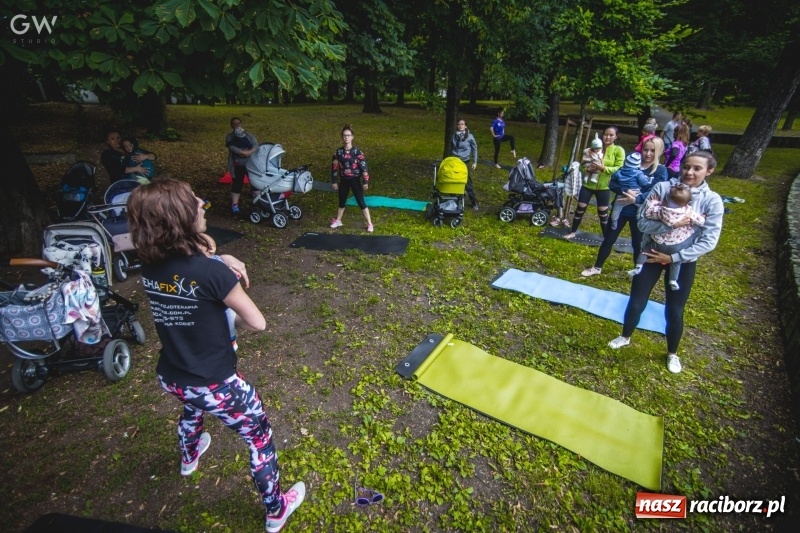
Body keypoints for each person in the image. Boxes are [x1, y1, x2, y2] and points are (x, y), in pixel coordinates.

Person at [127, 179, 305, 532]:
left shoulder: (150, 263)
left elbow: (199, 251)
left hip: (174, 374)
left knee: (193, 407)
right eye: (193, 201)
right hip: (215, 382)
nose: (201, 202)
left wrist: (221, 256)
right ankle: (276, 509)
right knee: (259, 437)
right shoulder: (212, 274)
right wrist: (226, 287)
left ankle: (189, 457)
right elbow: (257, 322)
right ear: (178, 218)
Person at [607, 151, 724, 374]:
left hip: (683, 260)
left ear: (709, 171)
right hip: (651, 253)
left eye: (697, 168)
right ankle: (625, 336)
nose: (689, 172)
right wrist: (672, 225)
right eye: (687, 166)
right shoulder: (662, 188)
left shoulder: (712, 200)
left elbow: (709, 240)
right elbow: (642, 223)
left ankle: (672, 353)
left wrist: (672, 258)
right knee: (636, 300)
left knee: (674, 309)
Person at [579, 137, 668, 277]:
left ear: (659, 152)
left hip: (641, 213)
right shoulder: (631, 161)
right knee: (609, 238)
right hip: (620, 209)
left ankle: (638, 272)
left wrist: (637, 198)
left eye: (653, 150)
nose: (648, 153)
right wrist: (624, 191)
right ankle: (597, 267)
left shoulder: (660, 170)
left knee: (638, 243)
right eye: (646, 149)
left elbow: (657, 191)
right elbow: (612, 182)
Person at [628, 182, 706, 290]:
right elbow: (700, 221)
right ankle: (673, 280)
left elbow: (649, 213)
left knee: (645, 251)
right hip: (677, 244)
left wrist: (653, 202)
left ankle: (638, 266)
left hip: (659, 242)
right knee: (676, 263)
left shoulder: (661, 211)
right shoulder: (688, 211)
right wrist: (702, 218)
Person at [564, 126, 625, 240]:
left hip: (604, 186)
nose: (608, 137)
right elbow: (582, 165)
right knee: (580, 209)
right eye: (606, 134)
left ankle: (606, 237)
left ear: (616, 137)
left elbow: (619, 168)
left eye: (611, 135)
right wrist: (587, 170)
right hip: (588, 185)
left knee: (603, 213)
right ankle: (573, 232)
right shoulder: (594, 147)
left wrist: (603, 169)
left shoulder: (618, 150)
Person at [329, 124, 374, 232]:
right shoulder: (338, 152)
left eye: (348, 135)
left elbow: (364, 167)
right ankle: (338, 221)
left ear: (352, 137)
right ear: (342, 137)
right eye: (344, 135)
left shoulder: (357, 152)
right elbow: (334, 167)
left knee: (361, 202)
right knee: (341, 202)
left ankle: (370, 223)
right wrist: (334, 181)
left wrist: (365, 181)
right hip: (344, 180)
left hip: (355, 180)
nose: (346, 137)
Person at [608, 152, 651, 230]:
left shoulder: (619, 172)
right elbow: (644, 183)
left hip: (622, 193)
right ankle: (639, 218)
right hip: (636, 193)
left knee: (616, 209)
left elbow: (613, 178)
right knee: (641, 206)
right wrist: (647, 180)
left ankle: (614, 221)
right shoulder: (638, 173)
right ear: (637, 165)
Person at [225, 117, 258, 214]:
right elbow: (232, 147)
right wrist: (242, 152)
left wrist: (249, 152)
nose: (237, 125)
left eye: (238, 123)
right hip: (237, 164)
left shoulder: (249, 134)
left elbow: (256, 145)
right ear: (231, 125)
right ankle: (235, 204)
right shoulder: (230, 136)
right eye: (234, 124)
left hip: (251, 164)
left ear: (241, 124)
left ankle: (257, 202)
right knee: (237, 183)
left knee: (255, 183)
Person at [450, 119, 479, 209]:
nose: (460, 126)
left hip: (464, 162)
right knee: (453, 180)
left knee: (467, 182)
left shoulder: (469, 137)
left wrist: (475, 162)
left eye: (462, 124)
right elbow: (451, 148)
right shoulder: (454, 136)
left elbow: (474, 149)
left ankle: (474, 201)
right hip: (455, 161)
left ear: (465, 126)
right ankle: (453, 199)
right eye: (459, 124)